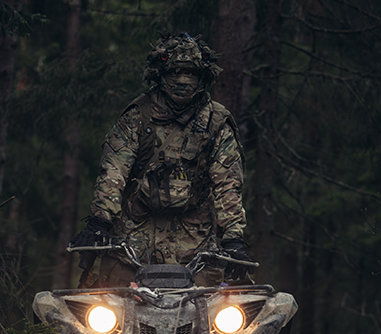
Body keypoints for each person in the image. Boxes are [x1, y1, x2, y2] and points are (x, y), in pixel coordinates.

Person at [70, 32, 253, 287]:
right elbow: (113, 171)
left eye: (190, 73)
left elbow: (228, 185)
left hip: (195, 249)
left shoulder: (216, 122)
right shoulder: (137, 116)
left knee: (210, 309)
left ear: (202, 77)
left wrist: (233, 239)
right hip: (131, 245)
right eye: (175, 72)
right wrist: (100, 222)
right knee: (110, 304)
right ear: (160, 74)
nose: (183, 80)